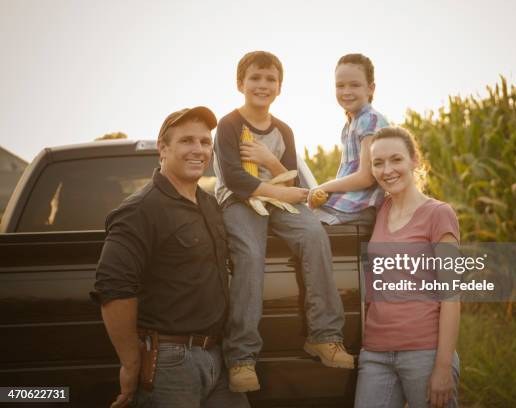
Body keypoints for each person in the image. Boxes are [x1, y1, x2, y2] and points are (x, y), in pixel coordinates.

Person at [213, 51, 354, 393]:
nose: (263, 85)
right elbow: (233, 178)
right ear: (240, 84)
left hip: (278, 199)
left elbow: (290, 179)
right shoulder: (228, 125)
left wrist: (268, 159)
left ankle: (324, 337)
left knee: (314, 234)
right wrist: (279, 191)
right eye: (255, 78)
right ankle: (242, 357)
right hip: (240, 200)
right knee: (248, 253)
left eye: (270, 79)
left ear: (279, 87)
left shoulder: (284, 130)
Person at [91, 107, 250, 408]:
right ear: (162, 148)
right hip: (170, 364)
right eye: (187, 141)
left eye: (205, 142)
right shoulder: (140, 209)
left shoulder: (209, 204)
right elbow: (113, 287)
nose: (198, 150)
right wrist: (130, 363)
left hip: (219, 358)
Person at [354, 126, 461, 408]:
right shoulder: (379, 211)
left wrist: (443, 366)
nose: (387, 169)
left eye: (396, 159)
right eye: (378, 163)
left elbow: (452, 296)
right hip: (376, 353)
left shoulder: (439, 214)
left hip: (424, 352)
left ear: (414, 160)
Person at [307, 53, 389, 226]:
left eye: (355, 85)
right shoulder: (351, 124)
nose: (346, 91)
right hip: (344, 205)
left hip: (358, 207)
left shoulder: (371, 120)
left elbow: (366, 176)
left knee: (303, 228)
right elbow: (346, 174)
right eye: (340, 85)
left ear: (371, 88)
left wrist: (323, 187)